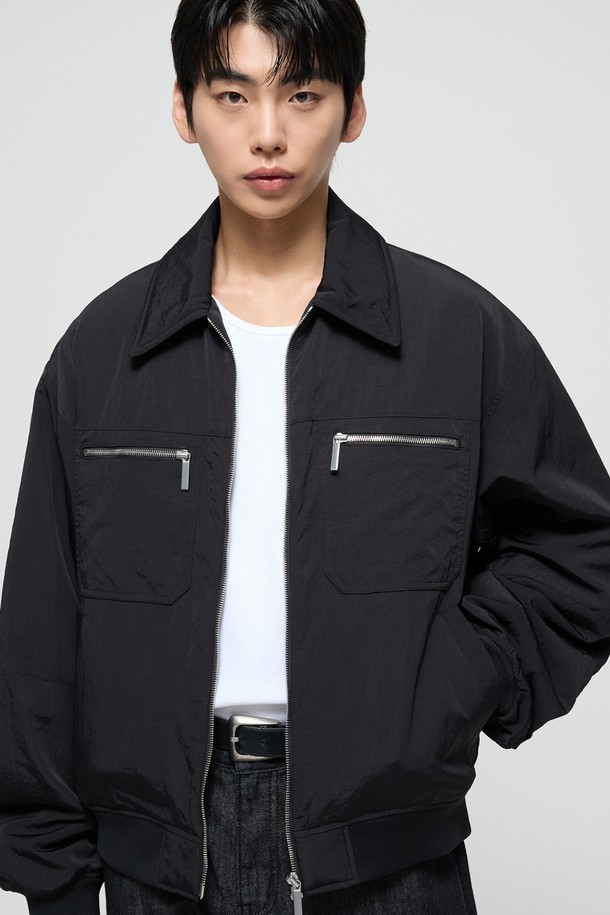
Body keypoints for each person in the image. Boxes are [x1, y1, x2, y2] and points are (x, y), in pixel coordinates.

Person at [1, 0, 609, 912]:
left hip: (392, 866)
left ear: (353, 109)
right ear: (183, 109)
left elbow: (585, 544)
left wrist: (453, 680)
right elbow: (40, 636)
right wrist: (52, 882)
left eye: (303, 94)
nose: (268, 133)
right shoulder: (101, 353)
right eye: (233, 95)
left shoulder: (455, 334)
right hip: (158, 864)